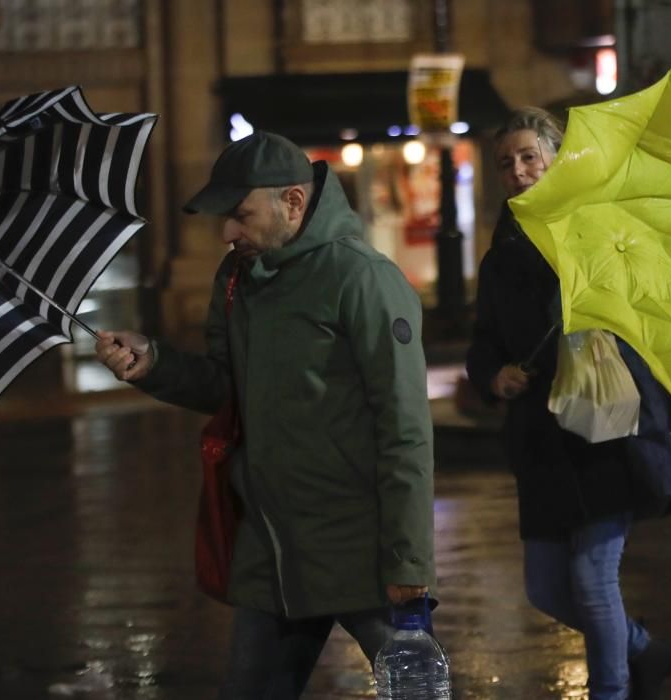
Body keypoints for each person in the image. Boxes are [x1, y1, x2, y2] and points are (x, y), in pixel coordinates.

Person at [95, 131, 436, 699]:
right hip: (272, 555)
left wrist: (409, 560)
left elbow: (405, 428)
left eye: (240, 215)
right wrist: (153, 363)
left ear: (294, 203)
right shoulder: (236, 280)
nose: (228, 232)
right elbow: (227, 386)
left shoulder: (361, 278)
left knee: (417, 693)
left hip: (361, 551)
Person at [466, 107, 671, 700]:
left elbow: (657, 316)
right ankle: (644, 650)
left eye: (529, 157)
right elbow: (485, 340)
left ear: (555, 157)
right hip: (543, 440)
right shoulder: (501, 257)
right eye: (506, 163)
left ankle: (612, 689)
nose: (518, 171)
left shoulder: (605, 233)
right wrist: (494, 376)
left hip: (607, 429)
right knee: (546, 589)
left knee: (592, 579)